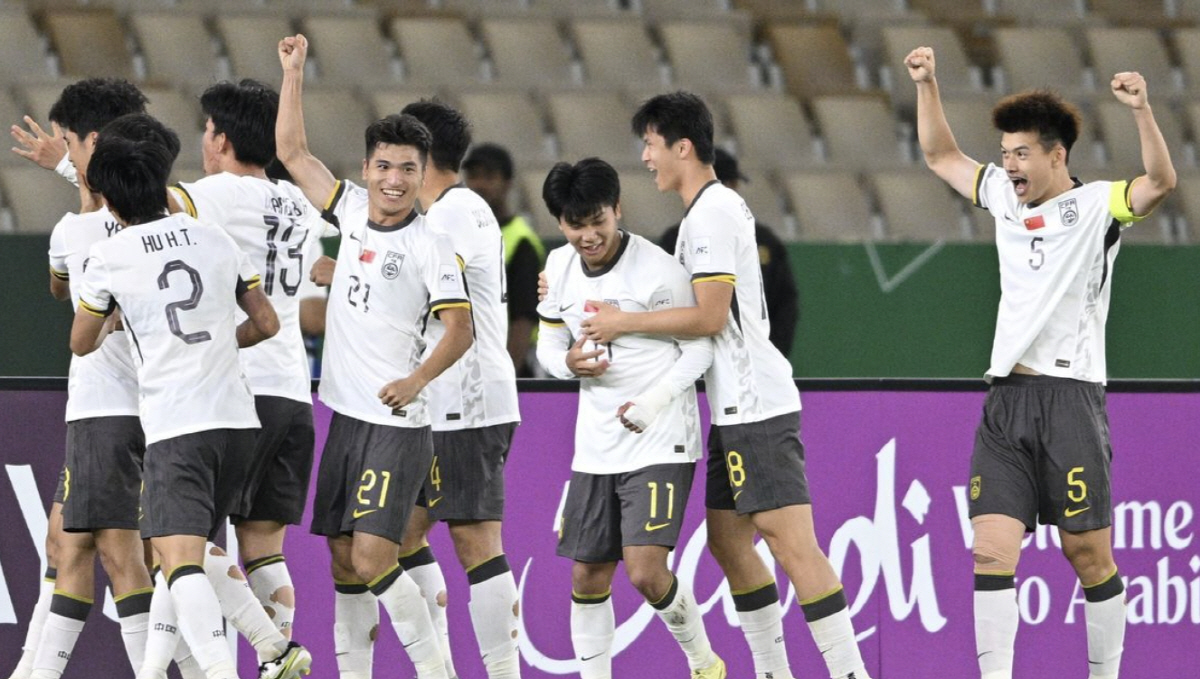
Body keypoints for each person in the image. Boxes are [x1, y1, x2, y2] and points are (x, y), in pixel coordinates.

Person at [579, 92, 872, 679]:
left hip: (756, 403)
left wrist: (622, 322)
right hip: (732, 409)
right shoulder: (708, 211)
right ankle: (771, 670)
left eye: (651, 144)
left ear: (681, 147)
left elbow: (711, 318)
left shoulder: (711, 214)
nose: (645, 158)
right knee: (730, 544)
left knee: (792, 547)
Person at [906, 47, 1175, 679]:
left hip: (1071, 398)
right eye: (1004, 154)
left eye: (1021, 153)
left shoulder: (1099, 207)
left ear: (1057, 155)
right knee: (991, 552)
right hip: (1006, 400)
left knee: (1088, 554)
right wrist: (928, 84)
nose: (1009, 165)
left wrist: (1141, 112)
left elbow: (1160, 183)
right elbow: (942, 156)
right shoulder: (1003, 195)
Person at [68, 114, 297, 679]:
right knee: (187, 555)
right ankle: (271, 647)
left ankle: (234, 667)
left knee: (178, 563)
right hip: (240, 421)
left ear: (114, 205)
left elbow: (80, 343)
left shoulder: (112, 257)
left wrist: (120, 319)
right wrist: (221, 337)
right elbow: (266, 323)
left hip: (177, 423)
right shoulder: (214, 238)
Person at [276, 33, 472, 679]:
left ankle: (436, 670)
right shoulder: (353, 213)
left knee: (371, 557)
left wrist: (417, 380)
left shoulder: (432, 246)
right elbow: (292, 153)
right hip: (347, 416)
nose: (394, 180)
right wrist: (295, 71)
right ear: (366, 169)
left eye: (408, 169)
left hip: (396, 424)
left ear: (423, 174)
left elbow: (461, 329)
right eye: (384, 166)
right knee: (340, 556)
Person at [535, 157, 724, 679]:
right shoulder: (557, 269)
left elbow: (700, 351)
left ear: (618, 209)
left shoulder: (659, 270)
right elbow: (549, 341)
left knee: (643, 571)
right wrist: (566, 364)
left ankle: (704, 663)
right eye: (576, 225)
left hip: (661, 439)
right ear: (560, 223)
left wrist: (652, 403)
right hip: (595, 445)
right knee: (588, 573)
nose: (589, 235)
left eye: (599, 219)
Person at [168, 79, 325, 645]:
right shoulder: (299, 202)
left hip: (237, 393)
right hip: (291, 390)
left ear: (223, 139)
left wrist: (74, 168)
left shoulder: (216, 194)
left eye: (207, 131)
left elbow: (139, 205)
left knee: (180, 539)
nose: (204, 143)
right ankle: (279, 657)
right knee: (263, 547)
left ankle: (265, 650)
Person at [7, 78, 154, 679]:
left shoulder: (75, 233)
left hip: (107, 407)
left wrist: (72, 175)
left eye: (71, 141)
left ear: (92, 140)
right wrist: (71, 167)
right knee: (66, 542)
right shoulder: (167, 214)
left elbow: (61, 285)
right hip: (150, 404)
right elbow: (123, 202)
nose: (65, 149)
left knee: (123, 557)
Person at [394, 100, 522, 679]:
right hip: (437, 406)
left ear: (421, 156)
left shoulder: (458, 212)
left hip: (466, 399)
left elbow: (437, 295)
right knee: (396, 537)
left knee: (476, 542)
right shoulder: (440, 213)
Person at [657, 148, 798, 356]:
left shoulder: (675, 238)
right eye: (733, 183)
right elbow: (785, 305)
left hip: (698, 357)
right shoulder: (759, 238)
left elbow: (785, 303)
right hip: (706, 358)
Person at [461, 143, 545, 376]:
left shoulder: (520, 241)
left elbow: (523, 321)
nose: (478, 184)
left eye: (489, 176)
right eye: (473, 176)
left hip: (505, 368)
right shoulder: (462, 232)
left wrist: (504, 379)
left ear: (508, 183)